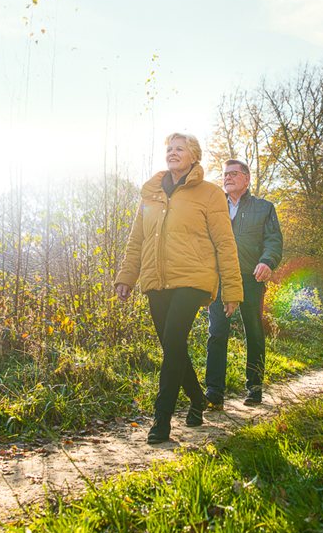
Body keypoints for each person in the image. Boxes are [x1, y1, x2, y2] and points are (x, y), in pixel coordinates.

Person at [114, 134, 243, 444]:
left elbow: (225, 242)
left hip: (193, 278)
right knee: (173, 346)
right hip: (156, 279)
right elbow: (136, 240)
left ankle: (161, 420)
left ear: (193, 156)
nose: (172, 153)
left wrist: (232, 289)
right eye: (169, 149)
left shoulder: (210, 194)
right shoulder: (151, 194)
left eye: (179, 149)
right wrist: (126, 276)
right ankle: (197, 399)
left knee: (173, 341)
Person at [204, 159, 283, 407]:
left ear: (247, 179)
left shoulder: (264, 208)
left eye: (234, 174)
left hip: (251, 278)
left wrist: (267, 262)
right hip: (220, 279)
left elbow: (273, 240)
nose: (227, 178)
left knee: (254, 332)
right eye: (225, 174)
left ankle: (255, 388)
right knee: (217, 333)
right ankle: (214, 392)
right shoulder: (214, 208)